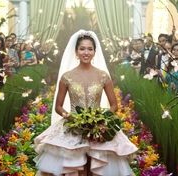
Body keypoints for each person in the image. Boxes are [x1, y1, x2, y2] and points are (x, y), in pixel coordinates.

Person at [34, 30, 138, 176]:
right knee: (73, 168)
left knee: (99, 166)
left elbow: (114, 104)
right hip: (73, 126)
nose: (86, 52)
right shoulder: (67, 77)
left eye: (90, 49)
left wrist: (103, 119)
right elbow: (58, 106)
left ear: (95, 51)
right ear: (76, 51)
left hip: (99, 128)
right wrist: (70, 117)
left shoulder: (103, 76)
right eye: (82, 49)